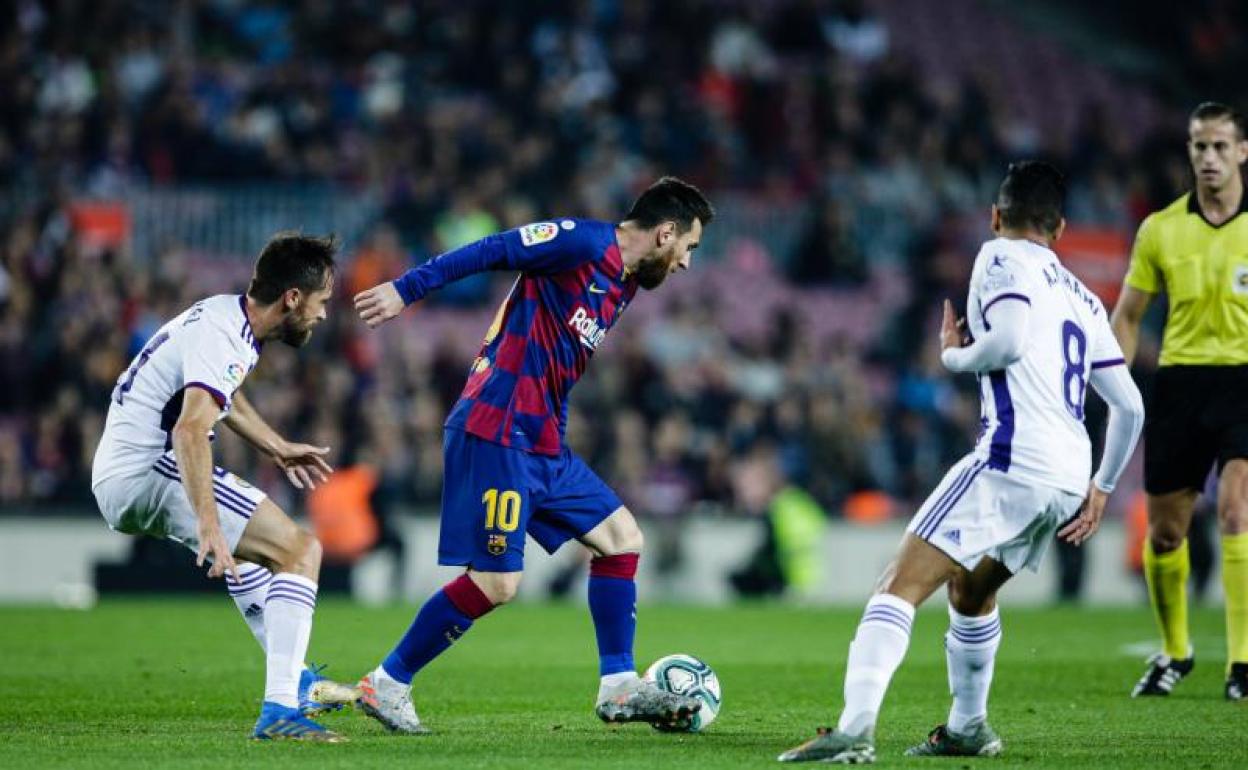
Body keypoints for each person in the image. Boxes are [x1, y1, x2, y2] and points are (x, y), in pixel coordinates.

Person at [778, 161, 1144, 763]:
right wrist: (1102, 486)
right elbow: (1129, 406)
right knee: (971, 590)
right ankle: (968, 727)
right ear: (1060, 228)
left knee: (897, 586)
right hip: (1067, 476)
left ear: (996, 216)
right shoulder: (1083, 296)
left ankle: (854, 730)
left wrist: (952, 355)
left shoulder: (1000, 255)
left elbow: (1009, 341)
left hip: (1012, 458)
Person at [350, 177, 714, 733]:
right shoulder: (581, 242)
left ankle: (619, 685)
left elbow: (556, 364)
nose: (686, 262)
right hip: (498, 427)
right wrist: (406, 289)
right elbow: (493, 248)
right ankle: (388, 682)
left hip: (542, 440)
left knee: (621, 538)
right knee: (497, 583)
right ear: (666, 233)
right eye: (689, 246)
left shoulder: (624, 284)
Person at [90, 233, 358, 741]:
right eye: (321, 301)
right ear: (292, 298)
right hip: (148, 466)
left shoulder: (224, 317)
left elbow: (223, 393)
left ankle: (297, 683)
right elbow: (189, 430)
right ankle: (281, 710)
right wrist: (208, 522)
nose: (324, 315)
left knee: (255, 560)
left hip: (122, 472)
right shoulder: (225, 335)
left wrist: (276, 446)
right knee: (301, 550)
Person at [1110, 101, 1248, 701]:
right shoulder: (1161, 230)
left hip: (1243, 380)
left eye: (1220, 146)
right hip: (1179, 384)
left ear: (1242, 151)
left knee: (1237, 512)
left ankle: (1242, 662)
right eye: (1200, 146)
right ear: (1189, 152)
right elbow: (1128, 315)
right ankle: (1175, 652)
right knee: (1167, 534)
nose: (1209, 157)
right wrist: (1115, 382)